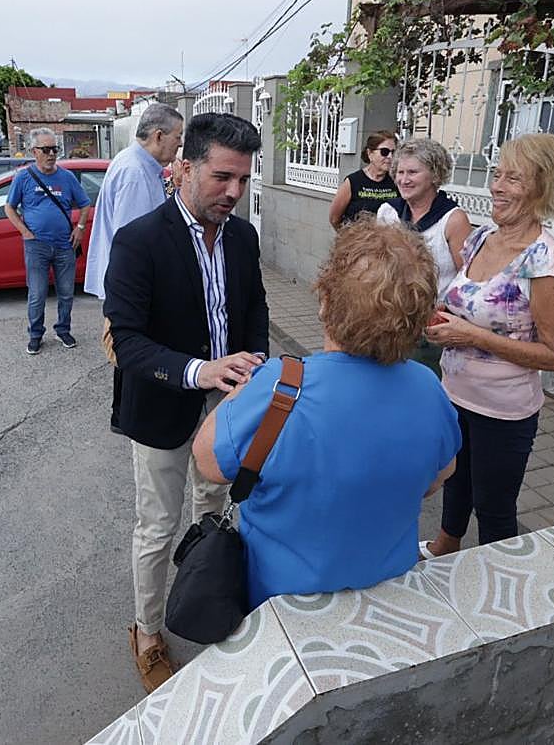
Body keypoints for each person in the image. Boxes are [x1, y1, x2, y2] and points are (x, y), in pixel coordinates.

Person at [192, 220, 459, 610]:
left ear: (324, 302)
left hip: (284, 600)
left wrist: (241, 391)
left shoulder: (279, 386)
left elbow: (209, 463)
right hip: (388, 589)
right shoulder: (428, 387)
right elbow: (438, 478)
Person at [103, 112, 269, 693]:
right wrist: (200, 371)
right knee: (157, 524)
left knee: (216, 507)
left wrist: (255, 366)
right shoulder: (141, 240)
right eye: (222, 177)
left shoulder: (243, 236)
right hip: (164, 405)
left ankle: (208, 597)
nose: (234, 192)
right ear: (184, 167)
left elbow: (253, 310)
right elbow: (126, 341)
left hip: (230, 404)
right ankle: (148, 632)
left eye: (244, 179)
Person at [423, 133, 554, 554]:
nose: (496, 186)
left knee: (493, 507)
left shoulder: (544, 261)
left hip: (504, 411)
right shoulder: (480, 239)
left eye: (513, 178)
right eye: (497, 174)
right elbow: (465, 305)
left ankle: (500, 576)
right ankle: (445, 544)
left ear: (542, 188)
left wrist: (472, 336)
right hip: (453, 395)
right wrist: (436, 319)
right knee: (455, 479)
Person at [84, 103, 184, 432]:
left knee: (129, 347)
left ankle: (123, 414)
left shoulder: (140, 166)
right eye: (177, 138)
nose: (179, 146)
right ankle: (127, 416)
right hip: (134, 283)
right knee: (132, 348)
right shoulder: (135, 173)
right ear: (158, 135)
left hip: (127, 281)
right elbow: (138, 239)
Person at [376, 137, 472, 374]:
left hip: (432, 327)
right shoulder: (388, 212)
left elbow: (468, 279)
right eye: (399, 172)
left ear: (434, 175)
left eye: (413, 172)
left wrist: (441, 308)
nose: (403, 179)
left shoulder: (453, 219)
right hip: (391, 320)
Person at [4, 128, 92, 355]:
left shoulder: (66, 177)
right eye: (46, 149)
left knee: (66, 293)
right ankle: (35, 334)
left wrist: (80, 228)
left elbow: (84, 204)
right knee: (37, 294)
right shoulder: (23, 177)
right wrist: (24, 232)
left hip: (65, 245)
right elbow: (9, 207)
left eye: (55, 149)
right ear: (34, 151)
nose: (52, 154)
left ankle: (63, 330)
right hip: (36, 246)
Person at [328, 130, 399, 230]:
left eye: (393, 152)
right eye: (384, 152)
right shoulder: (353, 181)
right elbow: (334, 219)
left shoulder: (397, 182)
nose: (390, 157)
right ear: (370, 153)